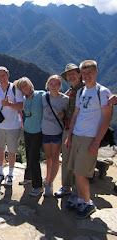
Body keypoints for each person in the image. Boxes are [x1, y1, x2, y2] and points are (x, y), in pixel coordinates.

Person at [65, 60, 113, 219]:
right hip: (77, 135)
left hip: (90, 137)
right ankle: (79, 199)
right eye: (84, 73)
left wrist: (97, 141)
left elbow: (107, 118)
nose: (87, 76)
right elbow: (75, 115)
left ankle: (88, 203)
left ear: (96, 72)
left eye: (89, 72)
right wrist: (70, 136)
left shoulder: (102, 92)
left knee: (81, 173)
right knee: (74, 170)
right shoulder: (81, 92)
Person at [0, 66, 23, 186]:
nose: (2, 78)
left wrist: (9, 104)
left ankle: (10, 174)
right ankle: (0, 173)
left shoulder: (15, 89)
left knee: (12, 151)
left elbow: (21, 106)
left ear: (8, 75)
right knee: (0, 150)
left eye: (4, 75)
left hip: (13, 125)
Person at [54, 63, 84, 201]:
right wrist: (63, 114)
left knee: (79, 162)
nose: (71, 76)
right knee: (66, 159)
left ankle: (77, 192)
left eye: (73, 73)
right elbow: (71, 110)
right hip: (68, 129)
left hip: (82, 131)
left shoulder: (86, 90)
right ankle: (66, 187)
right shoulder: (70, 92)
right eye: (68, 75)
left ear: (79, 74)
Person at [14, 77, 44, 196]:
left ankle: (38, 186)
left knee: (33, 158)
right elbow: (19, 108)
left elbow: (54, 98)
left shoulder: (40, 95)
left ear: (30, 84)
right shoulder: (24, 99)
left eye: (25, 85)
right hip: (27, 130)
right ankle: (29, 177)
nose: (24, 88)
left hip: (38, 131)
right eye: (22, 87)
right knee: (28, 155)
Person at [42, 75, 68, 196]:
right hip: (45, 132)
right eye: (51, 84)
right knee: (48, 157)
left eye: (56, 84)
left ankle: (50, 184)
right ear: (47, 85)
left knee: (55, 157)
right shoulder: (44, 96)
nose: (53, 86)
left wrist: (64, 114)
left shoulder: (64, 99)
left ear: (60, 86)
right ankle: (47, 178)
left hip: (57, 132)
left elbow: (71, 114)